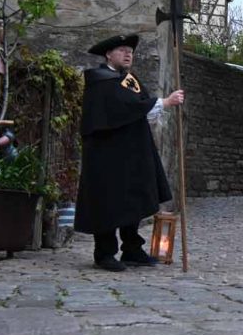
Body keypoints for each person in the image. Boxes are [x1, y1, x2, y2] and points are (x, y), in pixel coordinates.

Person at [73, 33, 184, 271]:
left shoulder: (129, 80)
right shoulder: (100, 81)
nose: (128, 54)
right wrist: (164, 102)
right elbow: (124, 107)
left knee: (134, 197)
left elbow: (141, 107)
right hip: (107, 155)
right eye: (122, 50)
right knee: (108, 201)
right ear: (108, 54)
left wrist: (158, 105)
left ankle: (132, 249)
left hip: (132, 153)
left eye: (130, 51)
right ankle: (104, 253)